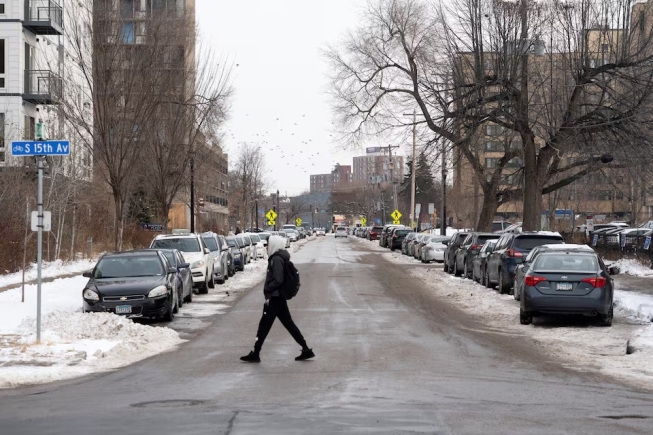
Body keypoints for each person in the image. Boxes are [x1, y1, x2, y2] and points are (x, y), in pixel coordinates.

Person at [240, 235, 314, 363]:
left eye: (269, 244)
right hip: (279, 298)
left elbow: (278, 279)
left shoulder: (277, 259)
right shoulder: (279, 258)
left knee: (264, 326)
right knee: (289, 325)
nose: (267, 246)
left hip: (275, 298)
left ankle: (256, 353)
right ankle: (306, 349)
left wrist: (268, 288)